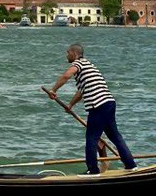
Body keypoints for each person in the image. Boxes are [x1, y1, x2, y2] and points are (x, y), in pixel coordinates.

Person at [46, 43, 137, 174]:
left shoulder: (78, 64)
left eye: (68, 53)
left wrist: (53, 90)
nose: (66, 55)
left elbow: (66, 76)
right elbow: (82, 91)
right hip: (109, 103)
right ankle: (130, 165)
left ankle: (93, 170)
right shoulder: (89, 66)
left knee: (91, 137)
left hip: (98, 105)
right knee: (115, 136)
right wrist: (71, 105)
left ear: (75, 54)